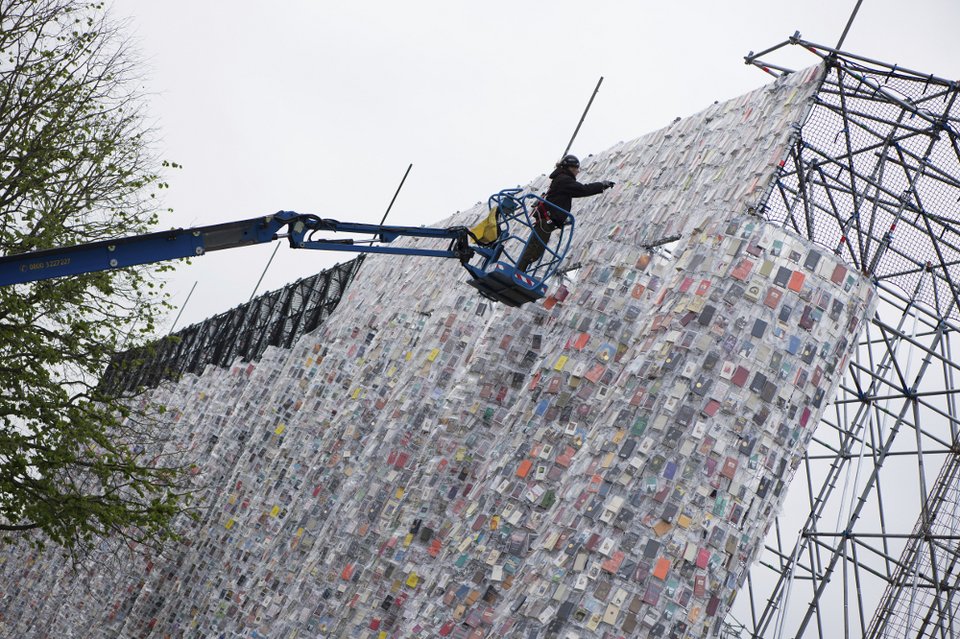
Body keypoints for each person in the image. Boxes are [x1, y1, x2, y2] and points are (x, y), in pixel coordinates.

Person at [516, 154, 614, 272]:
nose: (578, 171)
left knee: (535, 248)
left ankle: (518, 271)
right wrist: (601, 185)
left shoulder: (561, 179)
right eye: (576, 168)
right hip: (546, 221)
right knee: (534, 250)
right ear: (570, 168)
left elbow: (568, 196)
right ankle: (517, 272)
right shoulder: (564, 180)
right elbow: (583, 189)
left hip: (547, 220)